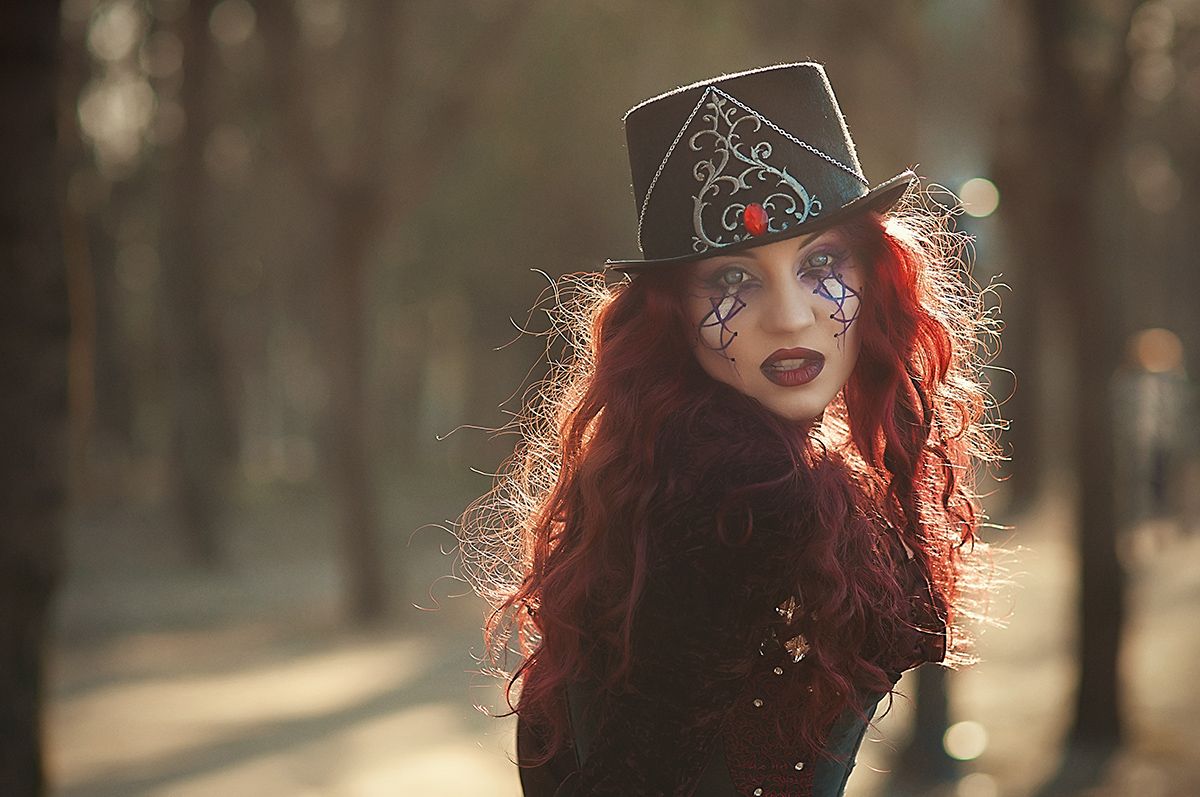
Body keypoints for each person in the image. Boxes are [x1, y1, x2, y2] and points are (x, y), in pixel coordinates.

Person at [458, 63, 999, 796]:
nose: (791, 317)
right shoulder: (746, 497)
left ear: (875, 275)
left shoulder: (649, 475)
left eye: (820, 262)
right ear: (674, 312)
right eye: (733, 279)